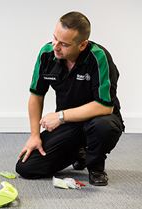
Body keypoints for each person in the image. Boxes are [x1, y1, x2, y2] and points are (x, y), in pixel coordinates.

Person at [16, 11, 124, 186]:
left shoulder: (99, 57)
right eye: (54, 38)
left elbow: (104, 106)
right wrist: (35, 135)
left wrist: (60, 116)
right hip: (70, 125)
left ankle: (95, 165)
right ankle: (79, 151)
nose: (56, 46)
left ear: (82, 45)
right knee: (26, 167)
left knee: (103, 126)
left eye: (64, 44)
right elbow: (36, 95)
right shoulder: (47, 54)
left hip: (99, 119)